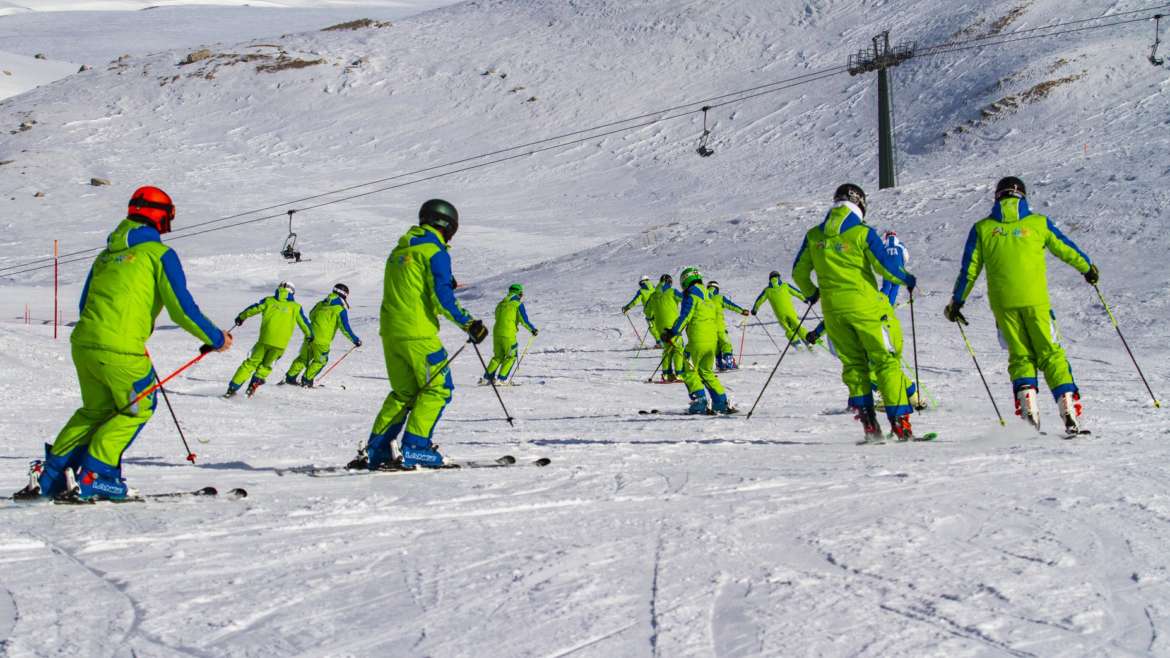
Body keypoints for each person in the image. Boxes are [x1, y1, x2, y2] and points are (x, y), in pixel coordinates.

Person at [15, 186, 231, 501]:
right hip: (120, 349)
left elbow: (85, 303)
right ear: (161, 217)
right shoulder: (159, 255)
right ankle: (95, 475)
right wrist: (215, 338)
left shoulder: (106, 254)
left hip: (85, 343)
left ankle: (50, 476)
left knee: (95, 410)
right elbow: (182, 309)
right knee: (139, 407)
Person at [946, 176, 1096, 433]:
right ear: (1022, 197)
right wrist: (1087, 268)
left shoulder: (982, 228)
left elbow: (969, 270)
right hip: (1036, 301)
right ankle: (1069, 411)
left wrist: (957, 302)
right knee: (1050, 352)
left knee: (1020, 355)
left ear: (997, 197)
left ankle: (1030, 416)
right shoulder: (1038, 223)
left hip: (1003, 304)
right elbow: (1064, 247)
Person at [352, 199, 488, 470]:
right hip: (419, 334)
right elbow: (442, 298)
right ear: (448, 227)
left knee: (404, 393)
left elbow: (412, 288)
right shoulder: (435, 251)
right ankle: (416, 448)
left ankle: (376, 450)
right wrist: (470, 323)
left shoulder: (398, 252)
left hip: (392, 334)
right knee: (438, 389)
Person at [792, 184, 918, 441]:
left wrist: (812, 293)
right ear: (860, 204)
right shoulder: (863, 233)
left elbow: (798, 272)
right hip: (866, 309)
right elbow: (886, 269)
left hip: (833, 312)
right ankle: (901, 425)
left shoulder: (814, 235)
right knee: (886, 361)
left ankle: (870, 426)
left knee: (854, 365)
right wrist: (908, 279)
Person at [662, 267, 735, 414]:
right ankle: (720, 402)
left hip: (697, 340)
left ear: (685, 280)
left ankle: (699, 401)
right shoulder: (709, 295)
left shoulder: (691, 294)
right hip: (712, 341)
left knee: (686, 370)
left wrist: (672, 332)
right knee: (706, 371)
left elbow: (685, 316)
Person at [225, 281, 311, 398]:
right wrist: (310, 335)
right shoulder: (296, 307)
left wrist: (241, 317)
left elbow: (254, 308)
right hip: (280, 345)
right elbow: (304, 323)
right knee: (266, 366)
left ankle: (232, 388)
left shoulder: (269, 301)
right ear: (292, 292)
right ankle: (253, 386)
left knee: (250, 364)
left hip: (264, 341)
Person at [284, 283, 361, 388]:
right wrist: (355, 340)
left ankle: (290, 377)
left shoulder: (321, 304)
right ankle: (306, 380)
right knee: (320, 361)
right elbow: (345, 328)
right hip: (322, 341)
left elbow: (311, 315)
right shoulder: (339, 309)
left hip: (309, 336)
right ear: (344, 295)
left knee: (303, 358)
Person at [482, 283, 538, 385]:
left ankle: (486, 378)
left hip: (496, 333)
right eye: (521, 293)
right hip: (508, 334)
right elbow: (524, 320)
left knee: (498, 356)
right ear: (519, 293)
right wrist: (533, 330)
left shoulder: (500, 304)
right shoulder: (517, 304)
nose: (522, 296)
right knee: (511, 356)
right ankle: (501, 379)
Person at [752, 271, 815, 347]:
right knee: (797, 326)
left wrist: (755, 310)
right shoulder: (785, 286)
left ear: (770, 279)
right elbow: (797, 293)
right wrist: (805, 299)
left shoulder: (767, 290)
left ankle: (798, 346)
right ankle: (808, 341)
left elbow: (760, 300)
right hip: (790, 312)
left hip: (780, 314)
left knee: (788, 329)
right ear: (778, 277)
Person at [646, 274, 684, 382]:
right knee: (678, 348)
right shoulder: (672, 291)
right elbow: (685, 299)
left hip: (660, 327)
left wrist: (651, 316)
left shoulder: (653, 295)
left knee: (667, 349)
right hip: (673, 326)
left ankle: (666, 374)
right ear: (669, 282)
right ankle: (679, 373)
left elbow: (647, 311)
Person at [706, 280, 749, 371]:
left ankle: (719, 364)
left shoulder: (703, 298)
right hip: (719, 327)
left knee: (716, 346)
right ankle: (729, 363)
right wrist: (742, 311)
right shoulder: (719, 298)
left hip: (708, 328)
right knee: (726, 344)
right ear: (717, 289)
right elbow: (731, 305)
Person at [621, 275, 660, 347]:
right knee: (661, 326)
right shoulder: (655, 288)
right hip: (659, 310)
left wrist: (627, 308)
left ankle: (660, 342)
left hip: (650, 313)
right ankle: (667, 342)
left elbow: (635, 301)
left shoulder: (641, 291)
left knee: (652, 328)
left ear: (641, 283)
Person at [879, 231, 910, 307]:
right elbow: (906, 257)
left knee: (886, 286)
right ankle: (890, 303)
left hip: (887, 268)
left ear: (886, 237)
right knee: (895, 286)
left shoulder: (883, 245)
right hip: (898, 269)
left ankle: (880, 302)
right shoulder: (900, 245)